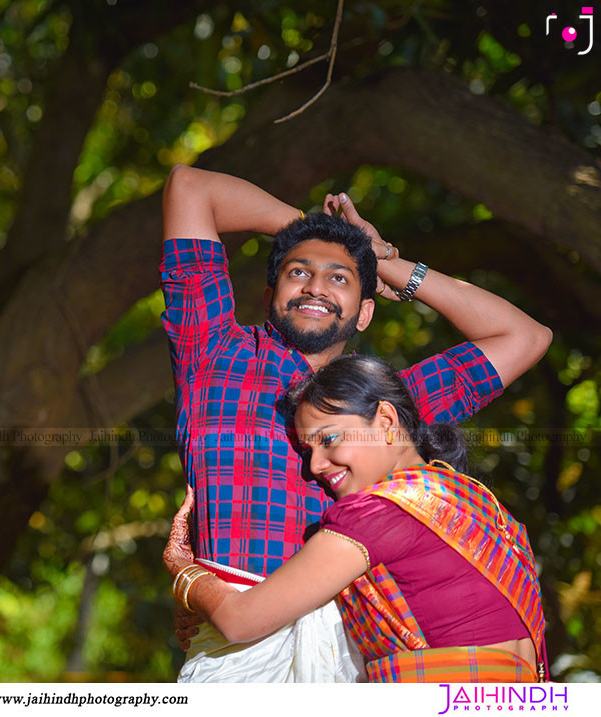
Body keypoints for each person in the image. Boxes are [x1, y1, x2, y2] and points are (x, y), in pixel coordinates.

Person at [160, 165, 552, 681]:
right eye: (298, 272)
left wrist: (385, 262)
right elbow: (191, 186)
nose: (316, 286)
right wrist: (318, 232)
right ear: (268, 296)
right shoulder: (212, 352)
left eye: (339, 278)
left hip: (352, 650)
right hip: (233, 644)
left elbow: (525, 337)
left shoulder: (384, 406)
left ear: (364, 312)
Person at [162, 354, 549, 683]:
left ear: (384, 421)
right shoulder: (475, 500)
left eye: (329, 440)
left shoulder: (378, 512)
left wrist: (183, 571)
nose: (315, 466)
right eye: (308, 449)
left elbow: (239, 620)